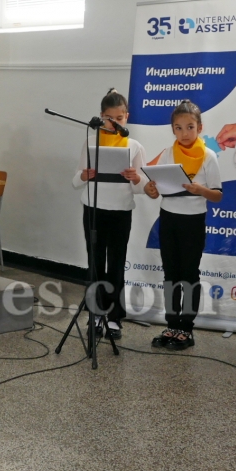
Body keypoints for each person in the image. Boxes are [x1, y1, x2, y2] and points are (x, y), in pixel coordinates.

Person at [143, 100, 223, 350]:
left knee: (189, 274)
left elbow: (217, 195)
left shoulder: (208, 156)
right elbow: (156, 189)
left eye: (190, 127)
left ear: (200, 128)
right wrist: (151, 189)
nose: (184, 133)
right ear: (172, 130)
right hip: (168, 218)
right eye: (178, 128)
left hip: (193, 221)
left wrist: (201, 190)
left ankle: (186, 328)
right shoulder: (168, 153)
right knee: (171, 273)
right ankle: (171, 324)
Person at [72, 88, 146, 341]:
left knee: (116, 264)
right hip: (93, 210)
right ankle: (95, 315)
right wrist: (84, 175)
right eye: (109, 118)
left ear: (127, 117)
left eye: (120, 118)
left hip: (120, 211)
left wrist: (135, 178)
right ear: (101, 116)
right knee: (95, 263)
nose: (114, 123)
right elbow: (75, 180)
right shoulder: (91, 143)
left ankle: (114, 318)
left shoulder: (134, 146)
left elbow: (141, 188)